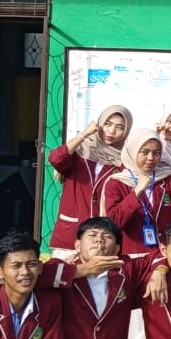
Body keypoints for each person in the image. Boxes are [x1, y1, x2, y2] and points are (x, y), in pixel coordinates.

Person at [47, 105, 132, 261]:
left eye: (120, 127)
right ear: (99, 124)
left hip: (101, 241)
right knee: (65, 274)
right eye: (107, 124)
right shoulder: (79, 153)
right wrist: (85, 134)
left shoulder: (124, 162)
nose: (112, 131)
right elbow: (55, 158)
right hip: (70, 234)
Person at [100, 128, 171, 258]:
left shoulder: (170, 179)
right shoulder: (116, 182)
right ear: (133, 151)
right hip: (133, 256)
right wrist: (136, 191)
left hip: (166, 254)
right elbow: (114, 223)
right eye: (144, 152)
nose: (151, 158)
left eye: (157, 153)